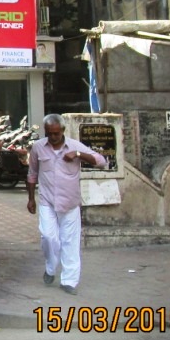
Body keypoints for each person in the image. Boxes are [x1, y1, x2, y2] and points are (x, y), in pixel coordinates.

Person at [26, 114, 106, 296]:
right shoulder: (38, 147)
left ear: (62, 131)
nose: (53, 137)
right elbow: (32, 174)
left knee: (70, 242)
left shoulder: (74, 146)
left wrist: (78, 155)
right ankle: (51, 268)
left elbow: (102, 161)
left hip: (70, 203)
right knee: (48, 237)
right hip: (47, 201)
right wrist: (31, 199)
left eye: (56, 133)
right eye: (49, 134)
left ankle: (69, 281)